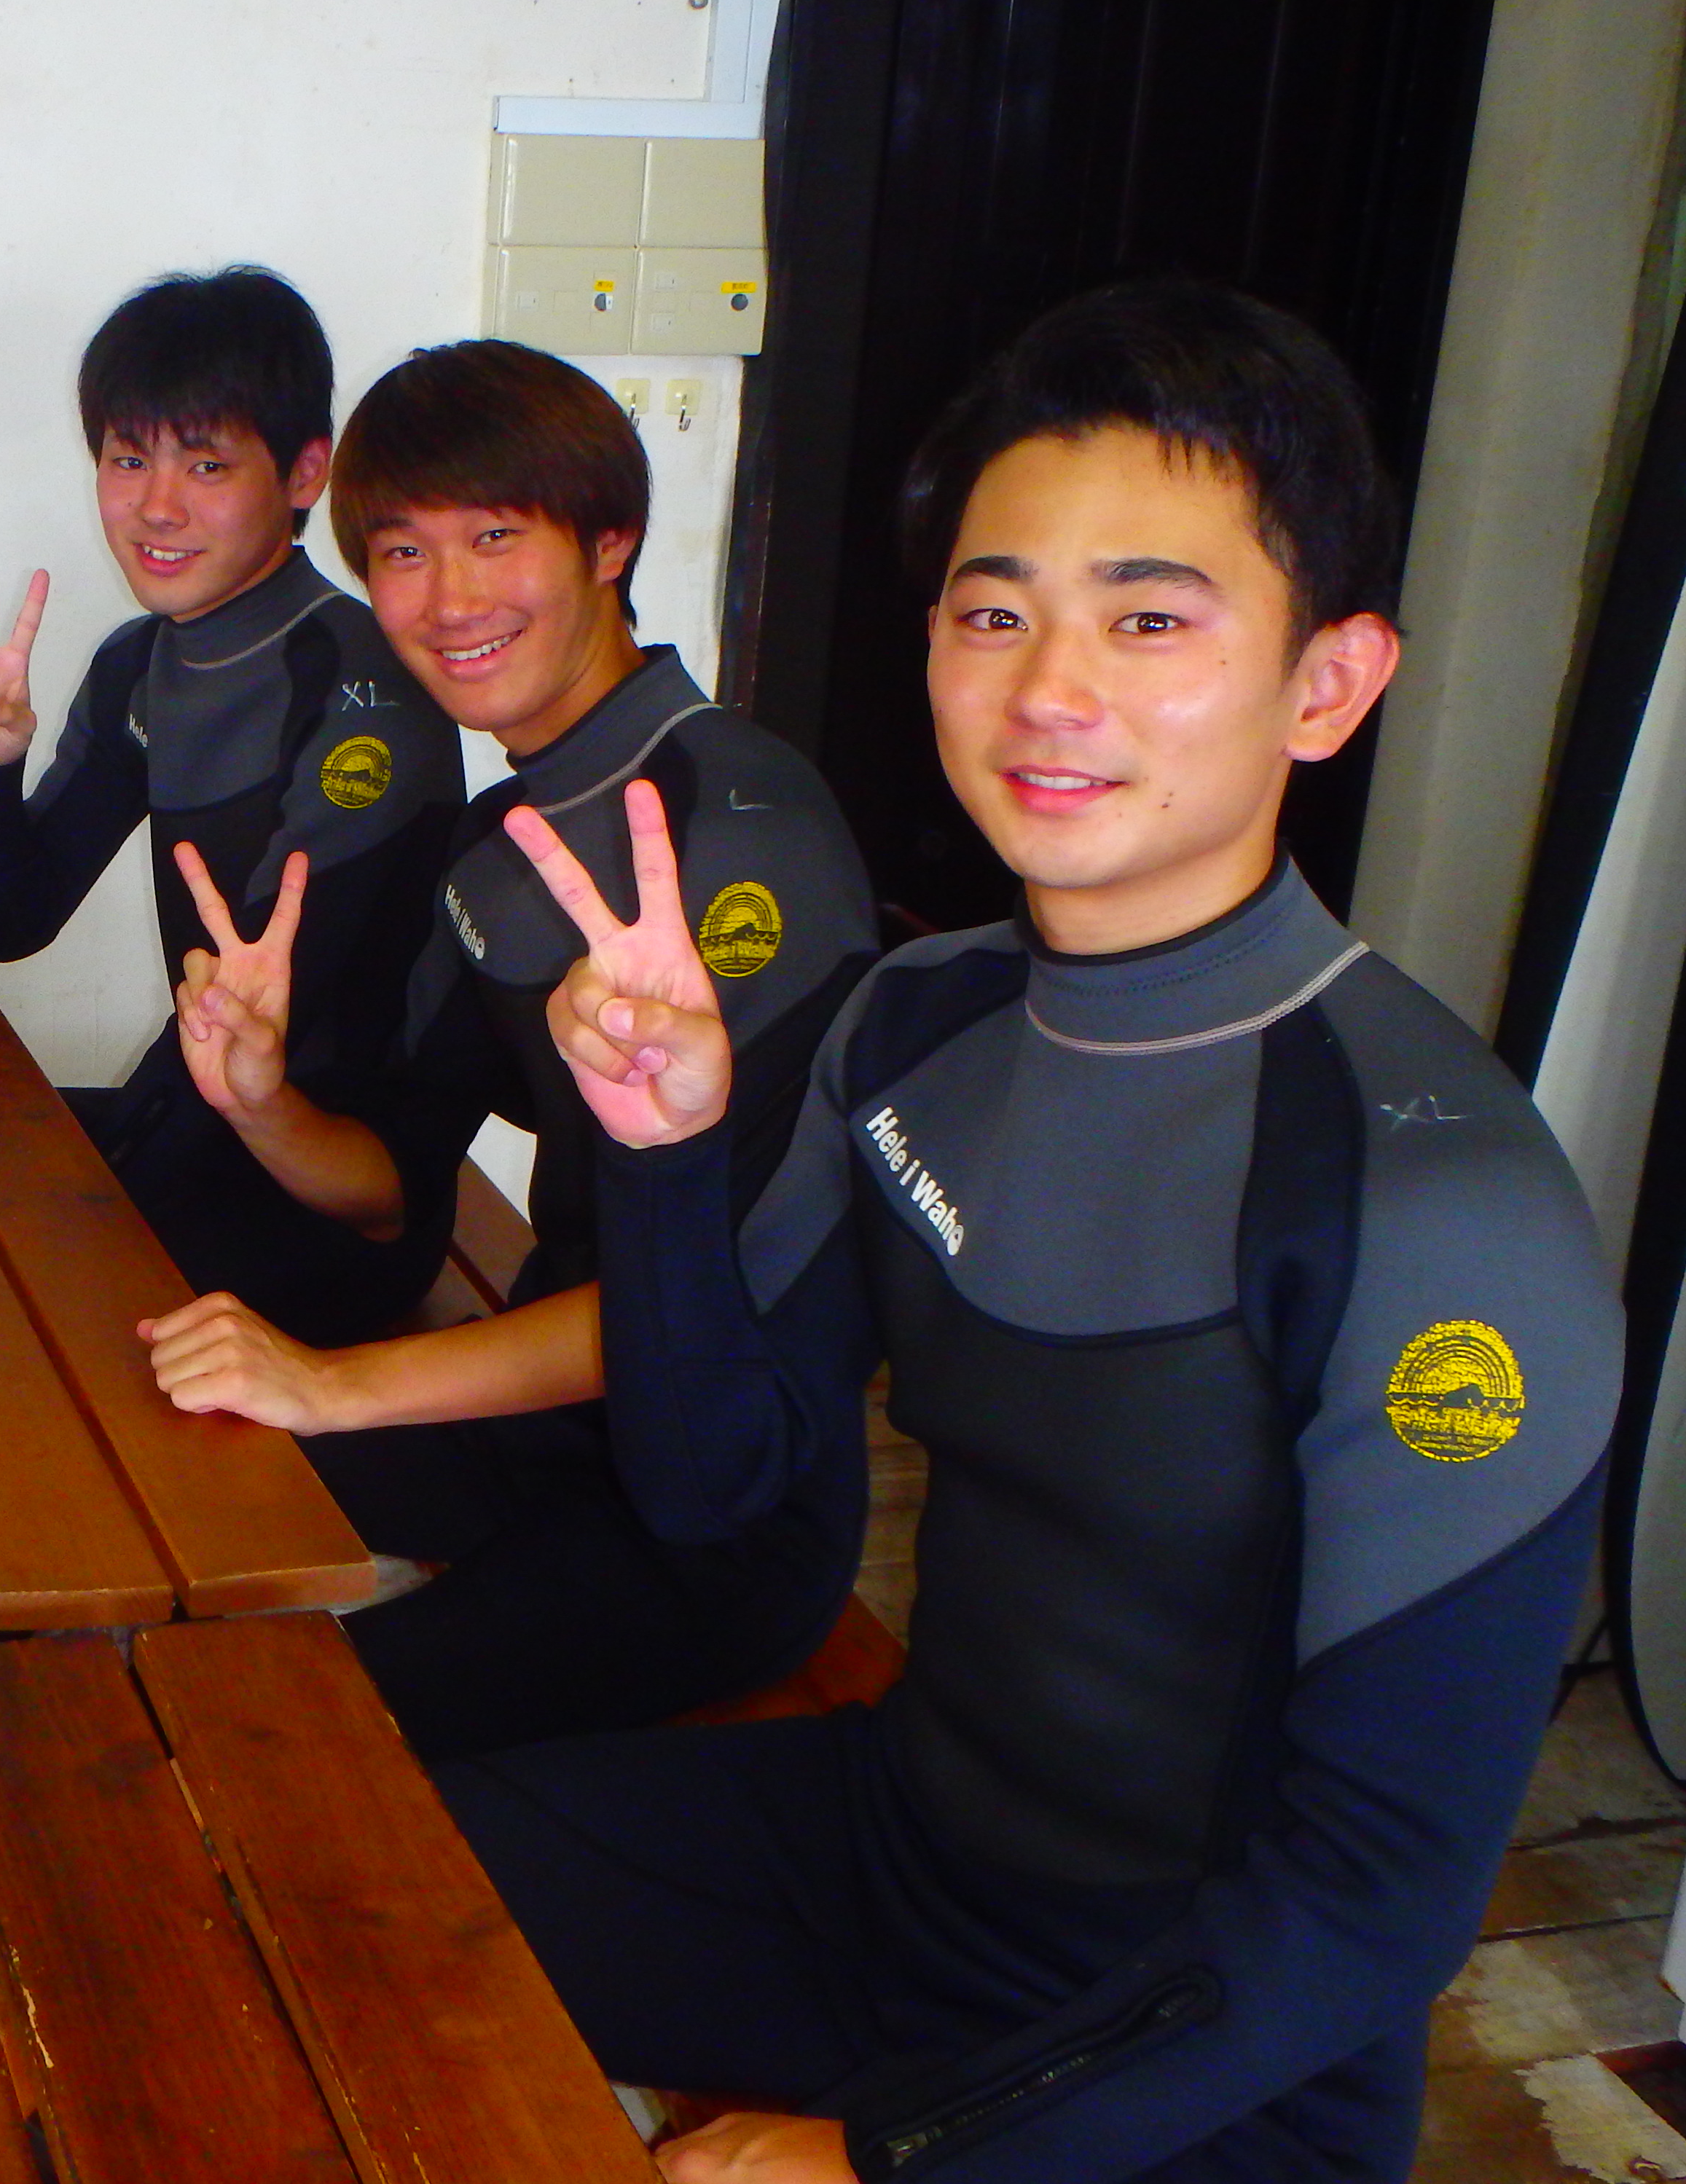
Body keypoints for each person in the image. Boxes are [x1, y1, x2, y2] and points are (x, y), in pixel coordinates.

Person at [442, 284, 1618, 2183]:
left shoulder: (1434, 1201)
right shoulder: (922, 1023)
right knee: (312, 1886)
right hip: (888, 1860)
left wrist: (879, 2158)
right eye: (995, 614)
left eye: (1150, 619)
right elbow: (712, 1483)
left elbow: (1372, 1908)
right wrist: (663, 1157)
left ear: (1329, 683)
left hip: (1202, 2059)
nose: (1049, 690)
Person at [139, 340, 877, 1756]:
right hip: (543, 1432)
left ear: (610, 541)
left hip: (716, 1516)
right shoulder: (501, 845)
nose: (448, 599)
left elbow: (711, 1310)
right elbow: (397, 1190)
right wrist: (260, 1101)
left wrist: (330, 1385)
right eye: (402, 553)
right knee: (138, 1500)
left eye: (494, 537)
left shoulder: (742, 833)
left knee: (268, 1730)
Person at [0, 267, 461, 1343]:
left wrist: (90, 1212)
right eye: (128, 458)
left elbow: (280, 1025)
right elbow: (13, 917)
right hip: (194, 1121)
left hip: (330, 1204)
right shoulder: (140, 664)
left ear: (306, 473)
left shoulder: (358, 689)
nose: (157, 507)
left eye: (207, 464)